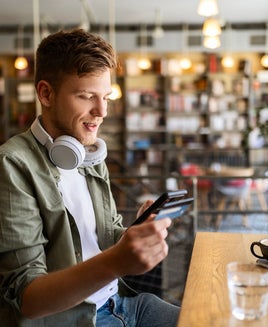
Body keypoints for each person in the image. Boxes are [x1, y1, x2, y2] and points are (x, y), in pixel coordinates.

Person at [0, 29, 179, 326]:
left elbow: (104, 239)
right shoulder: (12, 165)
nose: (102, 111)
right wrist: (116, 261)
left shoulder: (89, 154)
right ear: (46, 93)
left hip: (120, 302)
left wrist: (133, 236)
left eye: (106, 97)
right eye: (87, 96)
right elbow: (28, 298)